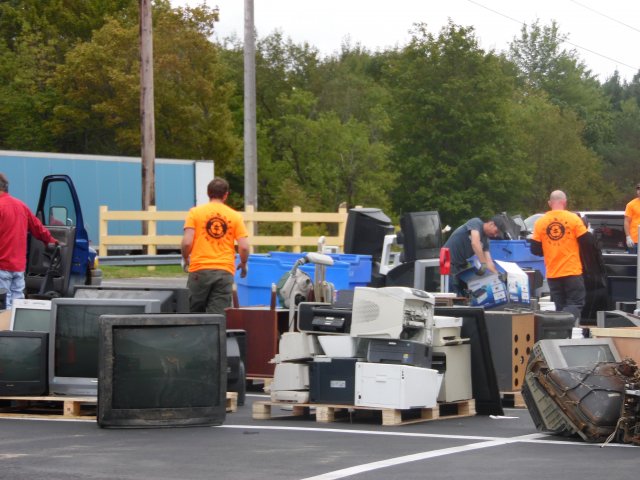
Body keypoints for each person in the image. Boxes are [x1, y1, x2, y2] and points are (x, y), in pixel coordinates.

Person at [181, 177, 250, 314]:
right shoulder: (235, 216)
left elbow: (187, 241)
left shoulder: (195, 213)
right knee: (218, 316)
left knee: (193, 314)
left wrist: (186, 257)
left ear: (208, 193)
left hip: (200, 269)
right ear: (226, 195)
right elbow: (244, 247)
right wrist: (243, 263)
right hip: (224, 271)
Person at [0, 172, 57, 308]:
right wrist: (52, 241)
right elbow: (38, 228)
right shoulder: (22, 206)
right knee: (17, 305)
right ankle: (15, 329)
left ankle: (4, 329)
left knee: (3, 306)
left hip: (1, 266)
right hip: (19, 267)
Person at [530, 190, 588, 323]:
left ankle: (561, 334)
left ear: (550, 203)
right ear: (564, 202)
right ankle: (568, 328)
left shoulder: (540, 222)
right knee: (575, 302)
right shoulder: (574, 219)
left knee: (560, 306)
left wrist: (551, 249)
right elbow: (586, 242)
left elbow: (535, 249)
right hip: (571, 270)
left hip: (553, 273)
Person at [443, 215, 508, 295]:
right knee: (453, 295)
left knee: (464, 295)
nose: (495, 235)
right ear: (492, 224)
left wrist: (498, 274)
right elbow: (475, 243)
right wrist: (483, 263)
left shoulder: (486, 241)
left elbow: (489, 262)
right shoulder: (476, 223)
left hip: (460, 266)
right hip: (447, 261)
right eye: (496, 232)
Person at [624, 182, 640, 254]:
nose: (639, 191)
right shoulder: (631, 205)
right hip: (634, 241)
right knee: (633, 264)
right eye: (638, 189)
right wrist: (628, 237)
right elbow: (626, 221)